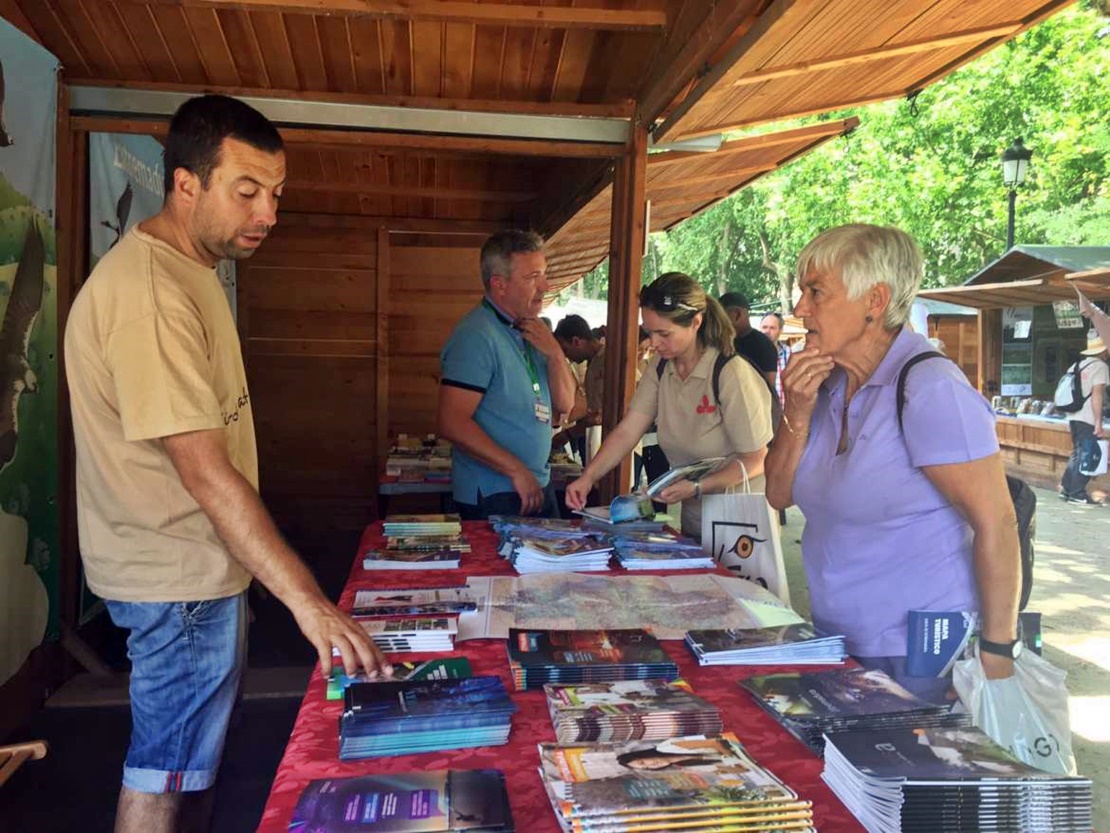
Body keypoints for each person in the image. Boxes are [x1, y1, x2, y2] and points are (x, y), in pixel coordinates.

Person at [64, 95, 392, 833]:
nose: (266, 212)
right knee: (163, 773)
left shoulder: (192, 269)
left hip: (197, 569)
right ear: (185, 183)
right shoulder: (149, 293)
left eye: (275, 194)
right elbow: (204, 468)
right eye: (246, 191)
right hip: (174, 575)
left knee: (189, 764)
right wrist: (308, 602)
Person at [764, 223, 1021, 702]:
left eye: (815, 292)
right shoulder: (830, 385)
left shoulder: (931, 388)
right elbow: (778, 494)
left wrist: (997, 654)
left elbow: (998, 524)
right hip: (840, 638)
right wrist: (795, 410)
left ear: (874, 302)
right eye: (802, 292)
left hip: (923, 651)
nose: (800, 309)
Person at [566, 273, 774, 536]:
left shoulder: (730, 372)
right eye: (649, 332)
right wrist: (588, 477)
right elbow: (628, 430)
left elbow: (757, 460)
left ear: (696, 322)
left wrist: (698, 486)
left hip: (742, 523)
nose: (653, 343)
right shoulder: (662, 366)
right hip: (695, 517)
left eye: (663, 333)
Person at [437, 230, 576, 519]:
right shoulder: (476, 335)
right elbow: (451, 422)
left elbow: (565, 405)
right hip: (495, 492)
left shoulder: (530, 330)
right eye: (532, 277)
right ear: (499, 285)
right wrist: (516, 470)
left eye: (544, 274)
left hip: (535, 483)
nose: (546, 286)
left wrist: (555, 354)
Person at [1059, 329, 1108, 505]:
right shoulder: (1100, 367)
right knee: (1088, 454)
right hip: (1087, 417)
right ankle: (1077, 493)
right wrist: (1098, 423)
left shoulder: (1076, 365)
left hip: (1072, 416)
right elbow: (1097, 396)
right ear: (1103, 350)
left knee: (1077, 453)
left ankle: (1067, 488)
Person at [719, 291, 778, 386]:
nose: (718, 321)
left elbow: (768, 388)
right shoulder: (720, 342)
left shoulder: (763, 345)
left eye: (721, 315)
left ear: (737, 314)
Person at [760, 311, 791, 403]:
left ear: (781, 330)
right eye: (764, 327)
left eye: (772, 328)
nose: (767, 331)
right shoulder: (751, 354)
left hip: (784, 412)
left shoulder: (790, 355)